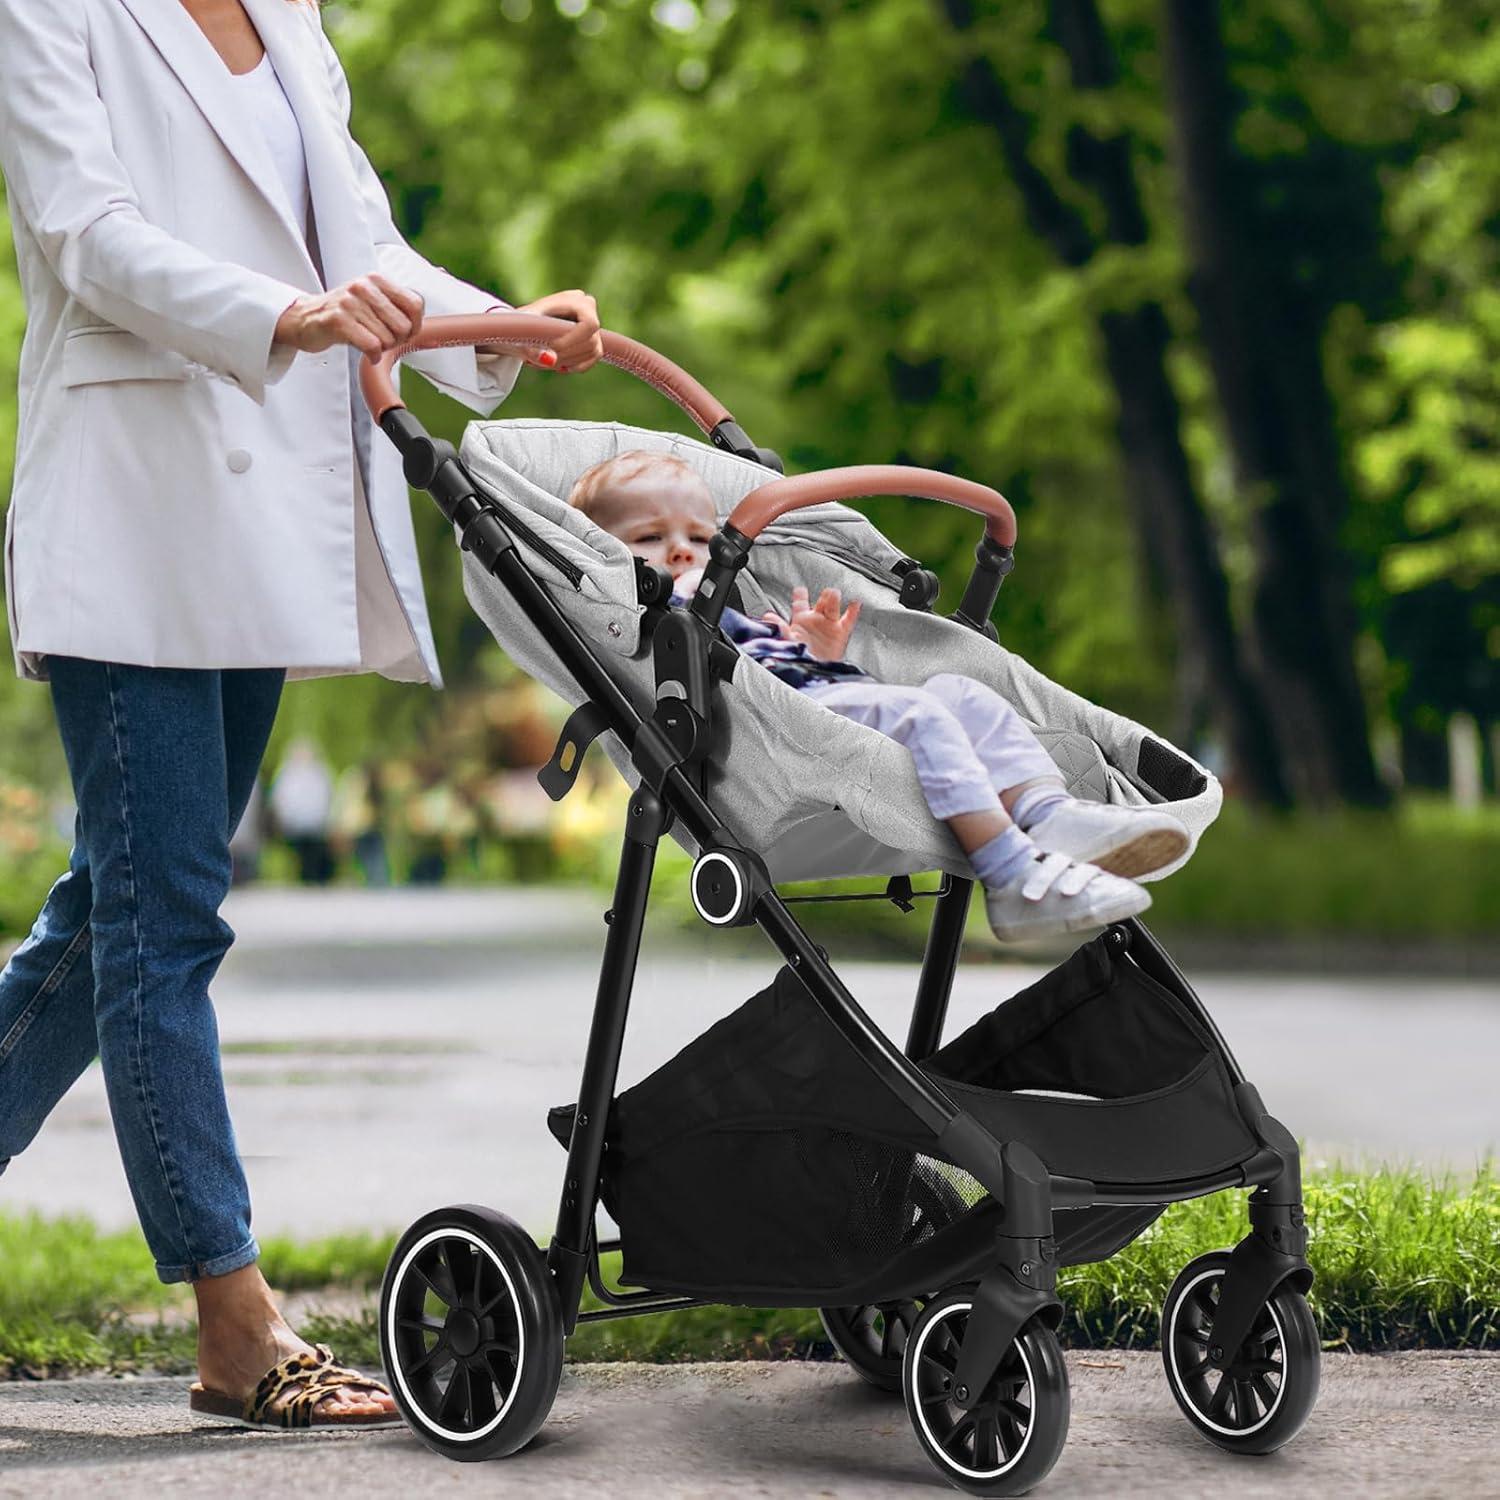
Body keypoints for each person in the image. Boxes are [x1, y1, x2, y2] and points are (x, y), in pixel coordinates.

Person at [0, 0, 602, 1431]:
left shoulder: (288, 15)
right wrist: (287, 315)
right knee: (167, 921)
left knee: (113, 918)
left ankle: (226, 1307)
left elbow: (365, 250)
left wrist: (495, 328)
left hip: (265, 520)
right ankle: (231, 1317)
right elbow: (81, 230)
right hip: (133, 511)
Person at [567, 452, 1191, 940]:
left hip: (843, 704)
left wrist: (819, 651)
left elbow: (792, 671)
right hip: (799, 744)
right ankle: (1013, 878)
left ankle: (1052, 815)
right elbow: (761, 700)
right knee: (921, 708)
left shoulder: (738, 608)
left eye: (700, 538)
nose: (682, 550)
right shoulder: (664, 619)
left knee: (957, 689)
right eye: (650, 538)